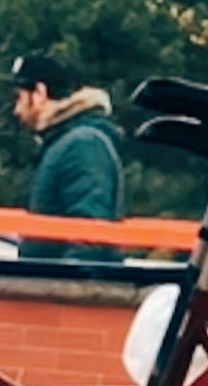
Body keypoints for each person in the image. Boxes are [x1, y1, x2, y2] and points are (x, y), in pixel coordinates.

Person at [9, 50, 125, 261]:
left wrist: (68, 285)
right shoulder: (66, 144)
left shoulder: (82, 144)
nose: (16, 110)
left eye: (19, 97)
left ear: (39, 93)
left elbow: (91, 232)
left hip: (65, 288)